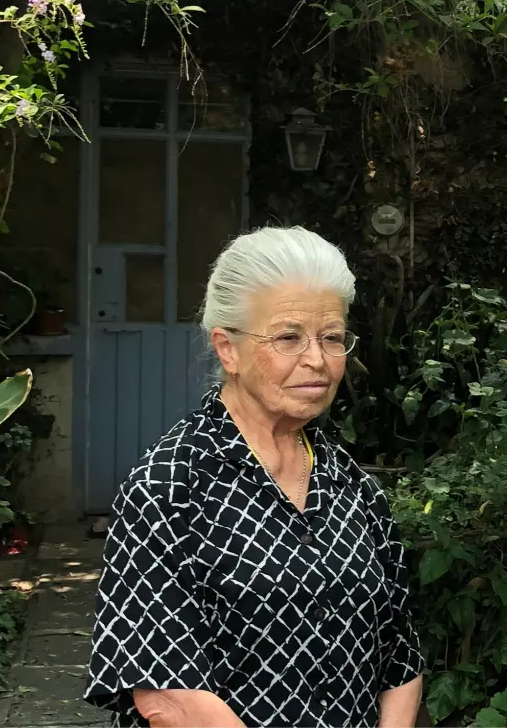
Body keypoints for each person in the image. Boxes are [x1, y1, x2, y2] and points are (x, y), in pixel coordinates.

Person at [83, 226, 426, 727]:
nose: (317, 359)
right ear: (228, 348)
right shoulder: (169, 487)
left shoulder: (352, 485)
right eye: (289, 337)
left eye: (331, 337)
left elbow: (399, 650)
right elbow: (168, 696)